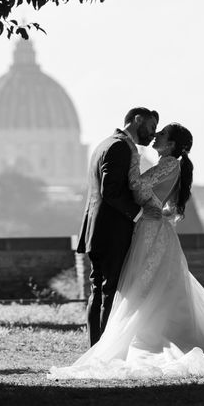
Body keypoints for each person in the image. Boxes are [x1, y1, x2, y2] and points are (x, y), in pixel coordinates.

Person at [51, 123, 204, 379]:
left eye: (162, 134)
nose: (156, 136)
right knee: (147, 286)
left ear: (172, 144)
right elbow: (170, 205)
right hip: (152, 226)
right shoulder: (171, 165)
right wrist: (157, 207)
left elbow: (139, 186)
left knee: (145, 285)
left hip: (151, 230)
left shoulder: (169, 164)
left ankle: (144, 337)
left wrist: (133, 158)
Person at [77, 107, 159, 346]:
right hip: (111, 231)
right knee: (109, 291)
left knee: (99, 291)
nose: (153, 135)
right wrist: (139, 213)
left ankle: (96, 347)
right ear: (137, 120)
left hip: (96, 230)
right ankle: (102, 349)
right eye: (151, 127)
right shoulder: (120, 147)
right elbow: (110, 192)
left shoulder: (104, 144)